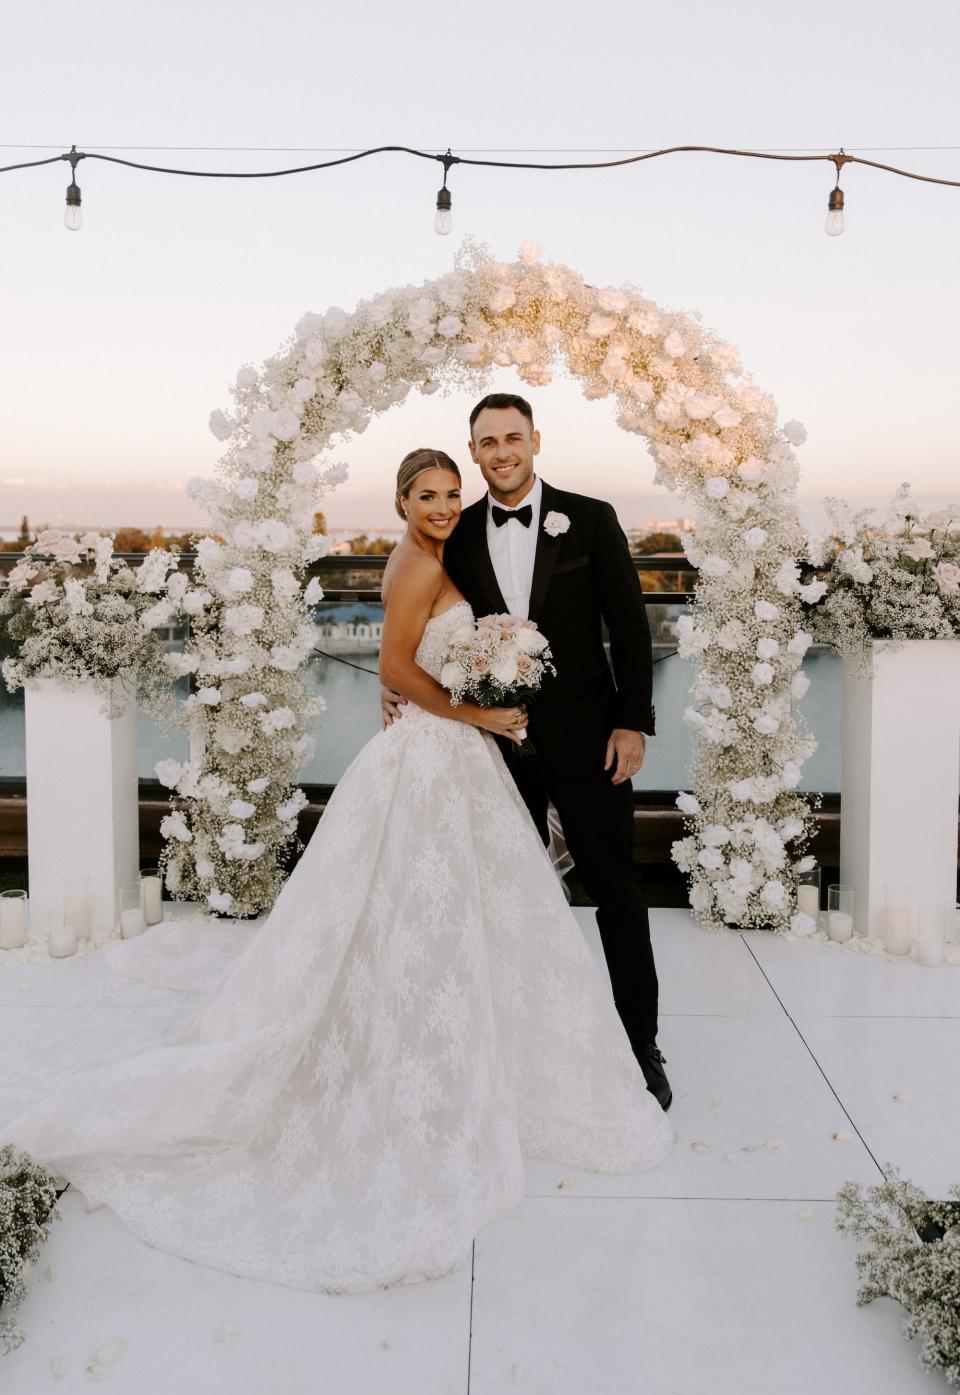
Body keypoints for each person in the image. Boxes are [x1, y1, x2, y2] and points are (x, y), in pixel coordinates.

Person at [0, 447, 674, 1296]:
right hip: (447, 750)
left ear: (515, 456)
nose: (442, 504)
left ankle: (611, 1041)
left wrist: (513, 693)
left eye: (449, 493)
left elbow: (593, 624)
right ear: (400, 500)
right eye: (427, 493)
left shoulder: (466, 542)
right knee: (416, 899)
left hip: (486, 745)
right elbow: (396, 665)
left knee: (503, 899)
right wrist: (476, 711)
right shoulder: (415, 558)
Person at [383, 397, 673, 1110]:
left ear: (535, 440)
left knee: (617, 892)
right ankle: (515, 1047)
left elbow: (629, 626)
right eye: (487, 442)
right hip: (490, 747)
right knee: (502, 898)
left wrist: (632, 722)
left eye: (513, 437)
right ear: (474, 452)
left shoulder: (592, 516)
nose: (502, 451)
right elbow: (416, 627)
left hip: (590, 739)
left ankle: (641, 1045)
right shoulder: (456, 531)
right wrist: (392, 691)